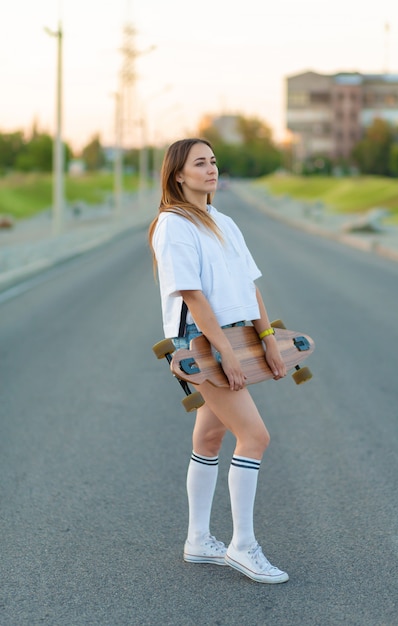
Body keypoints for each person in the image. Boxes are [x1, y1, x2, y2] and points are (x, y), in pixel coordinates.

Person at [148, 138, 289, 584]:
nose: (211, 169)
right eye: (200, 163)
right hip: (204, 342)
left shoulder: (224, 221)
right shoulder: (173, 224)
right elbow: (192, 294)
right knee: (255, 436)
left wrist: (267, 338)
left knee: (209, 439)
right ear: (178, 175)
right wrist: (224, 353)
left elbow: (251, 286)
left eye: (213, 161)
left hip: (238, 337)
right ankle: (243, 546)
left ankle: (197, 540)